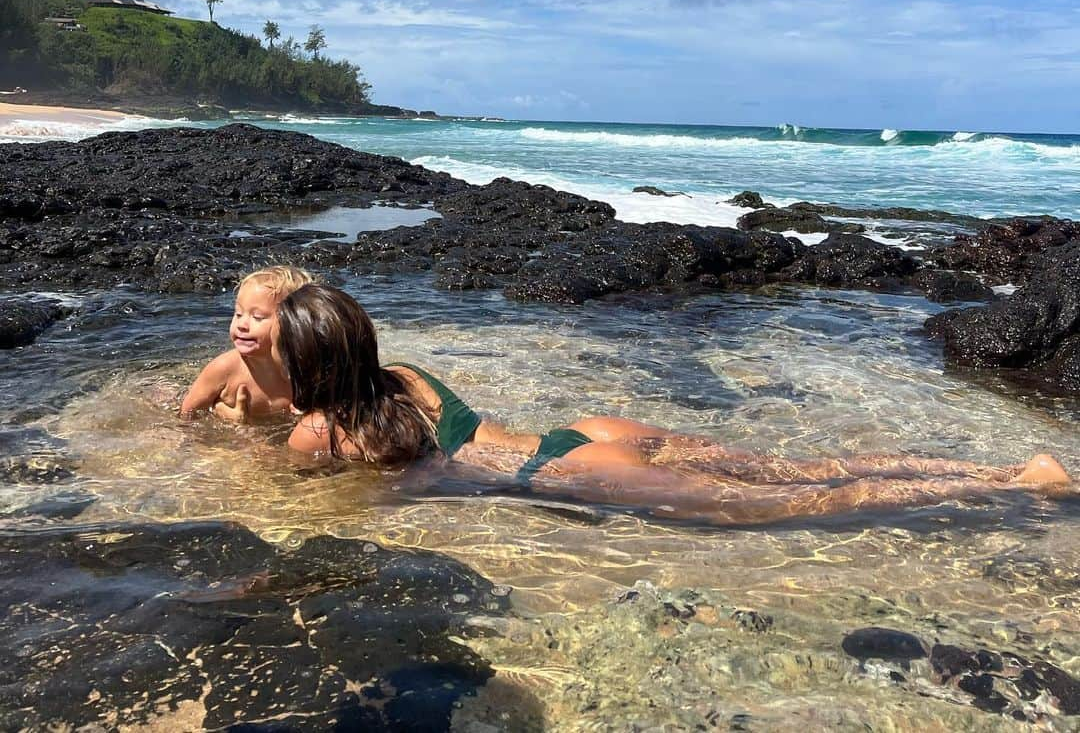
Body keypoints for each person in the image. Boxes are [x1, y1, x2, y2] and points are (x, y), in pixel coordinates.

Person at [274, 284, 1073, 527]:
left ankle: (1014, 485)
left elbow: (332, 503)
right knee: (800, 469)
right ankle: (1002, 466)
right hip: (582, 432)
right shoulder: (404, 377)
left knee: (799, 505)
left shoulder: (319, 433)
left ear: (307, 359)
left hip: (561, 476)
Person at [180, 265, 315, 422]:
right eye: (238, 314)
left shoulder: (305, 372)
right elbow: (186, 416)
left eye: (257, 317)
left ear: (294, 323)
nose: (242, 324)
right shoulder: (225, 368)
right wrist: (221, 418)